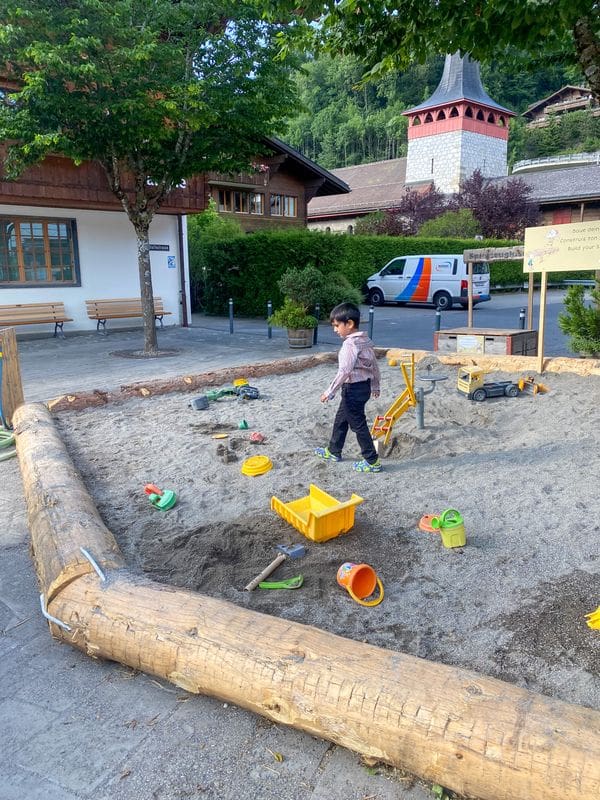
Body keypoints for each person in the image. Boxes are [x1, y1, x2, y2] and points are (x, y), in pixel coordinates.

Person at [315, 302, 382, 473]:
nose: (335, 330)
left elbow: (344, 371)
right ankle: (333, 450)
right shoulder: (365, 341)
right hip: (364, 387)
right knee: (341, 419)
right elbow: (374, 365)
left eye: (337, 325)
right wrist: (375, 385)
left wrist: (329, 392)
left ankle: (372, 460)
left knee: (358, 424)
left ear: (350, 324)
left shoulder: (350, 344)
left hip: (352, 389)